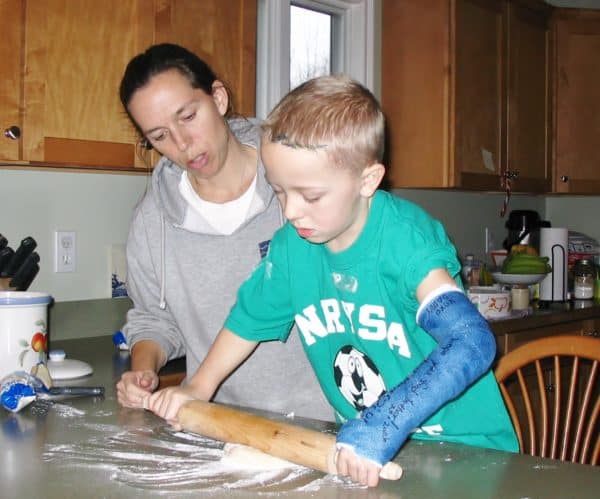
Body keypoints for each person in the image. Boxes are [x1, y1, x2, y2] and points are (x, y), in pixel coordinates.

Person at [145, 75, 519, 486]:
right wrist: (198, 387)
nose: (290, 212)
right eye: (280, 191)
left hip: (467, 452)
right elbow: (247, 320)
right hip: (366, 450)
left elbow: (472, 342)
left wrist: (384, 424)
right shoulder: (293, 248)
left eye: (311, 196)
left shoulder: (406, 242)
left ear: (367, 180)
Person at [115, 43, 333, 422]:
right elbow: (154, 317)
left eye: (187, 116)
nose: (182, 144)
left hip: (328, 419)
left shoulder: (299, 184)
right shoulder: (153, 221)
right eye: (159, 135)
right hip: (219, 423)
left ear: (217, 98)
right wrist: (143, 368)